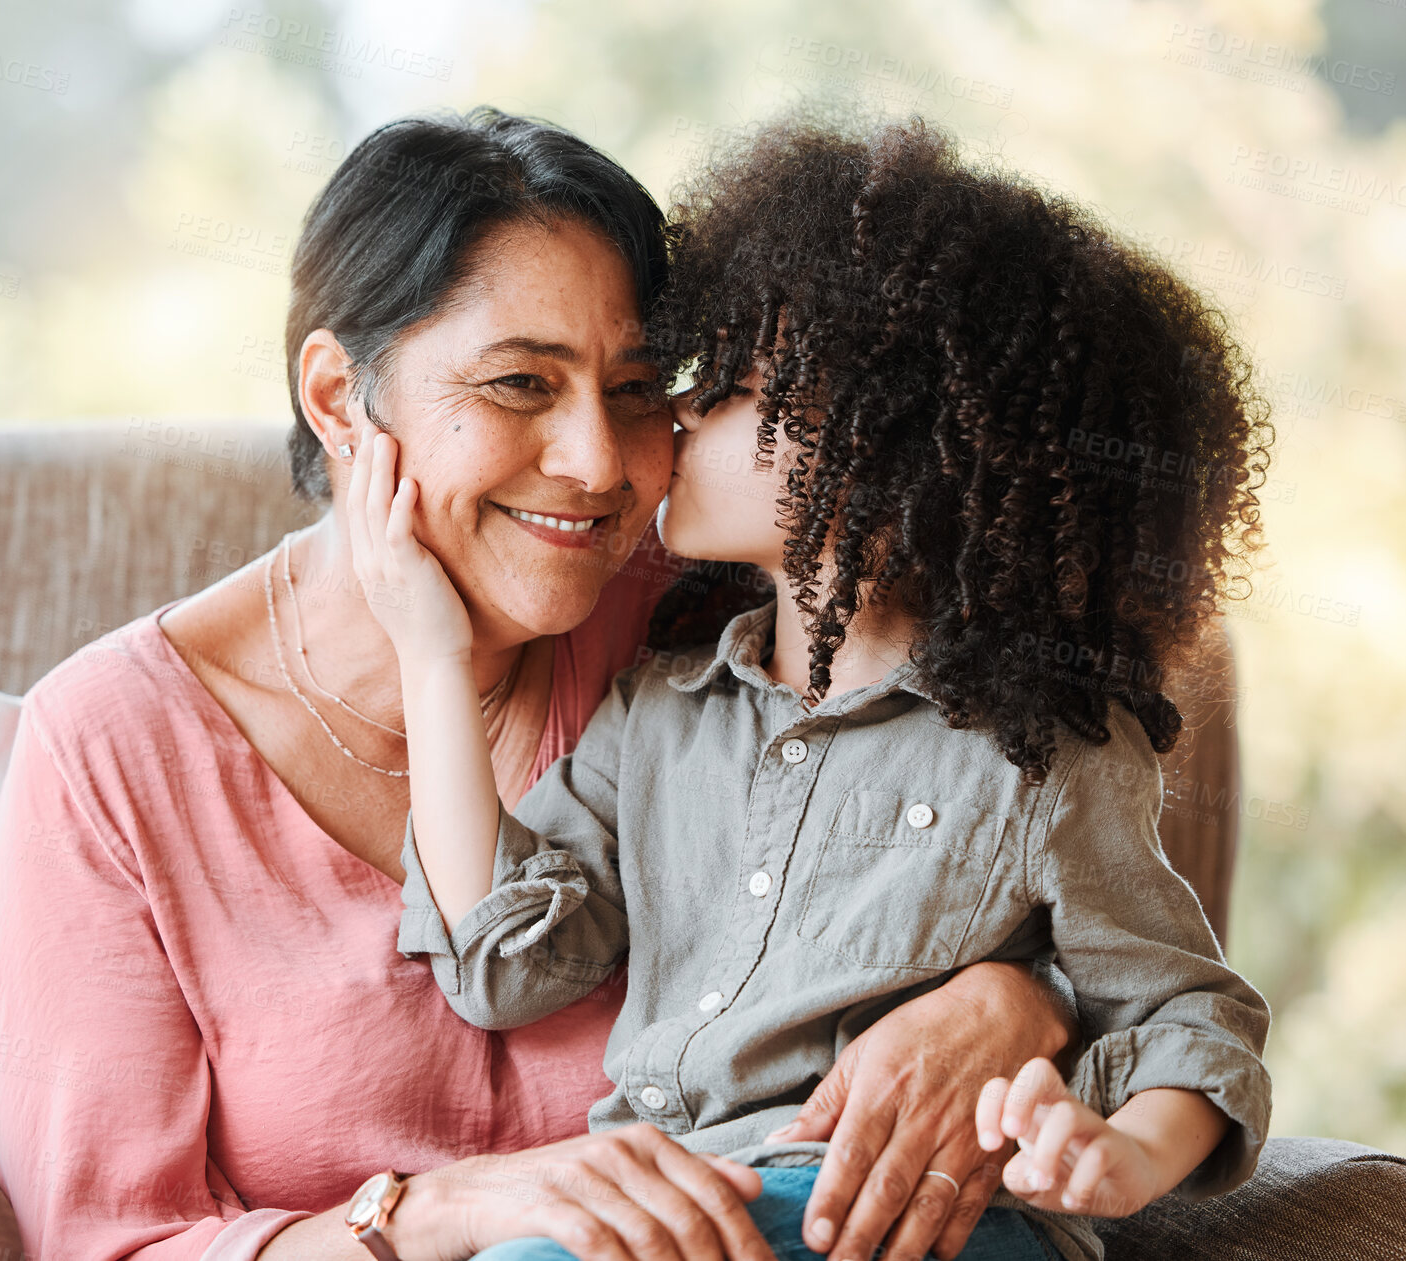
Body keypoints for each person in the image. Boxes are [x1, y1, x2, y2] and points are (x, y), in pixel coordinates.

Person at [0, 107, 1079, 1261]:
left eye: (639, 386)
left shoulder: (719, 623)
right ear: (341, 399)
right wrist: (441, 1211)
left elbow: (1039, 820)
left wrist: (1017, 1001)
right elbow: (108, 1243)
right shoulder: (107, 751)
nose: (597, 464)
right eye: (517, 385)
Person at [352, 116, 1274, 1261]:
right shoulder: (657, 713)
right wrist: (432, 659)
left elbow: (1188, 1012)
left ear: (894, 461)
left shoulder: (1047, 752)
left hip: (918, 1219)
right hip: (685, 1202)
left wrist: (1125, 1153)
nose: (675, 415)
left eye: (733, 387)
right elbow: (502, 967)